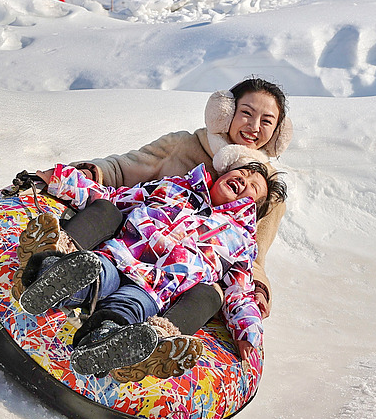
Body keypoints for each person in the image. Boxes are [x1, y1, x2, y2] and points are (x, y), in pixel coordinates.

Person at [17, 160, 287, 383]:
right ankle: (49, 270)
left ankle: (105, 344)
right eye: (243, 172)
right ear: (222, 174)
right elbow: (113, 197)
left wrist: (249, 335)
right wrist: (62, 179)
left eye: (253, 187)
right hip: (117, 256)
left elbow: (239, 293)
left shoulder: (240, 241)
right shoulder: (173, 188)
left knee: (128, 310)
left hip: (153, 289)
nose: (244, 180)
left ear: (252, 209)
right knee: (92, 272)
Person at [72, 78, 293, 321]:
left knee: (211, 294)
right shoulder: (183, 146)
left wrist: (259, 291)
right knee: (106, 212)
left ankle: (156, 338)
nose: (254, 126)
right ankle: (59, 264)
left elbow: (252, 258)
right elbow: (120, 170)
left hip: (181, 281)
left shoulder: (268, 195)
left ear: (277, 133)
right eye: (246, 113)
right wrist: (85, 173)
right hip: (130, 246)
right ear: (225, 112)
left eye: (266, 121)